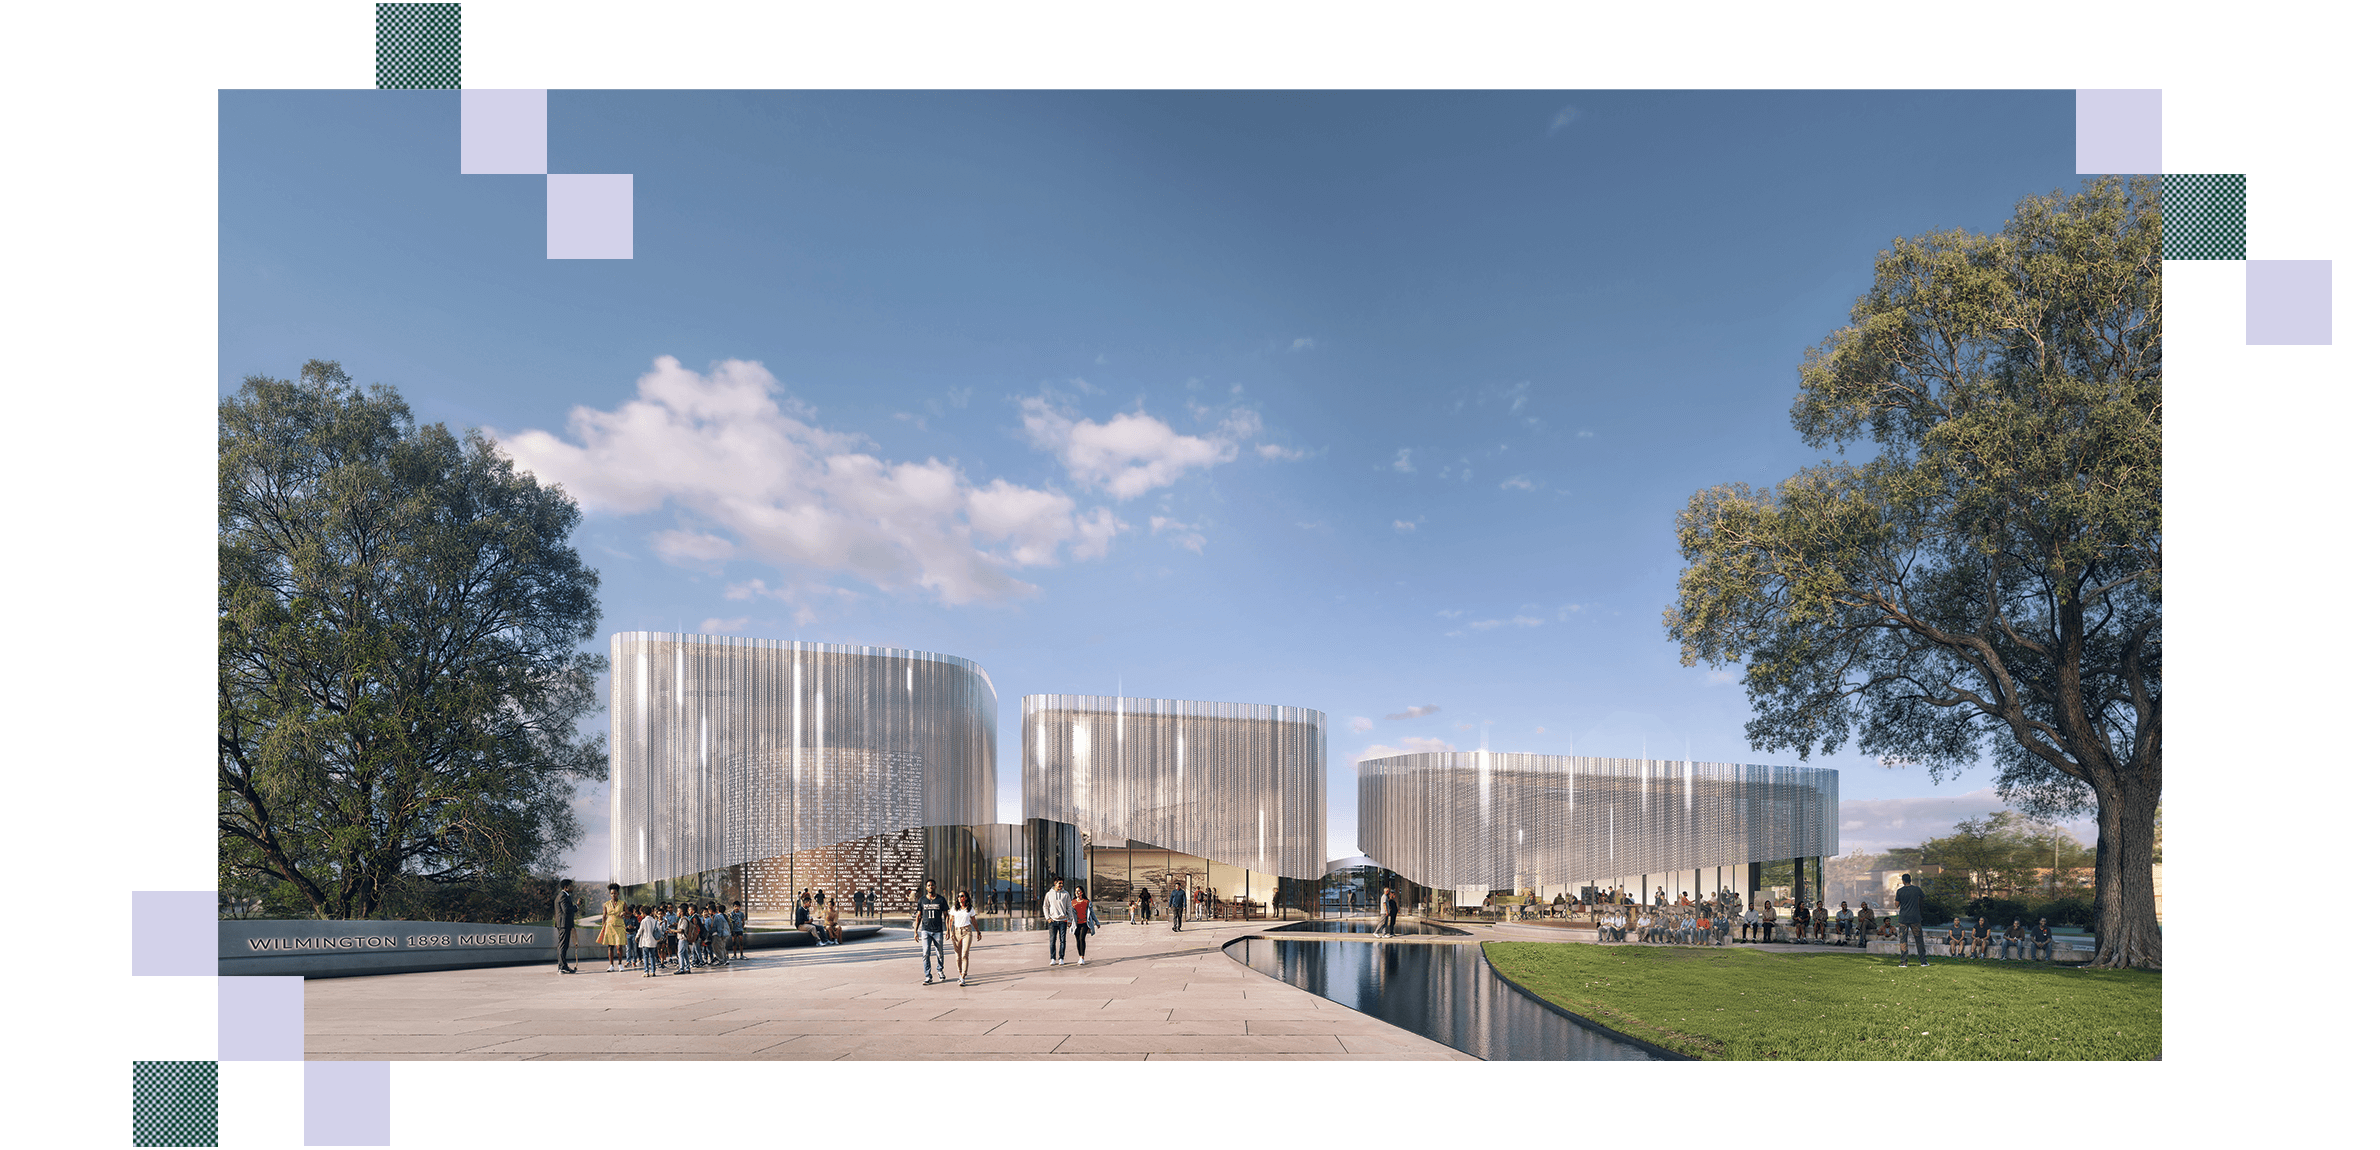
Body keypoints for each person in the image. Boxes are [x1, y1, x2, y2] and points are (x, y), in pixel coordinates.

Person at [914, 879, 952, 985]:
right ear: (926, 887)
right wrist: (916, 931)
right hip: (926, 930)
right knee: (925, 953)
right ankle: (928, 976)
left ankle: (940, 970)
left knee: (939, 952)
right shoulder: (922, 900)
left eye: (932, 885)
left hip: (938, 931)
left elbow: (946, 915)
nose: (930, 887)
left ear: (935, 887)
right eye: (928, 885)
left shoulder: (941, 899)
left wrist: (948, 930)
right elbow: (919, 916)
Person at [1893, 874, 1930, 968]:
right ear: (1910, 880)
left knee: (1903, 940)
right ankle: (1923, 962)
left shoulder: (1900, 891)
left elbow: (1897, 905)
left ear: (1903, 881)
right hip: (1915, 918)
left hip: (1903, 919)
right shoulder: (1917, 889)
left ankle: (1903, 962)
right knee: (1919, 940)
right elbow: (1923, 898)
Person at [950, 891, 983, 984]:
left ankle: (963, 975)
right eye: (959, 896)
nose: (960, 898)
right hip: (956, 931)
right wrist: (949, 932)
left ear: (966, 898)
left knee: (964, 954)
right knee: (957, 956)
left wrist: (978, 932)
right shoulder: (954, 908)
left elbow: (973, 920)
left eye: (962, 896)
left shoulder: (970, 909)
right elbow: (950, 920)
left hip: (967, 931)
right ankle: (960, 973)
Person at [596, 883, 628, 972]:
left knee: (619, 946)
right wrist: (603, 927)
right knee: (610, 946)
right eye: (611, 893)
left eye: (615, 893)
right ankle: (611, 965)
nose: (613, 895)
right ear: (610, 894)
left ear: (618, 893)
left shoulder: (623, 903)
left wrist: (625, 914)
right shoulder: (606, 904)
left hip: (619, 926)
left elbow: (628, 914)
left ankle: (620, 964)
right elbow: (604, 916)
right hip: (609, 926)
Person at [1044, 877, 1073, 964]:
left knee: (1063, 940)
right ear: (1055, 883)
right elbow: (1045, 906)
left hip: (1063, 921)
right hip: (1052, 921)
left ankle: (1061, 958)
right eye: (1059, 883)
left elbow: (1069, 907)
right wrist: (1047, 918)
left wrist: (1069, 919)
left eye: (1062, 883)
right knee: (1052, 940)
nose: (1061, 885)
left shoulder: (1066, 894)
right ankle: (1053, 958)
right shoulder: (1049, 894)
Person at [554, 882, 579, 974]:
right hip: (563, 925)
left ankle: (562, 966)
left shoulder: (564, 895)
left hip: (564, 924)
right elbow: (567, 910)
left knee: (563, 945)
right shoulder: (563, 896)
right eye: (571, 886)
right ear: (566, 887)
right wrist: (576, 906)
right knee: (563, 945)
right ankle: (562, 967)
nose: (573, 887)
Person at [1071, 885, 1098, 965]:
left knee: (1082, 938)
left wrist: (1097, 922)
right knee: (1078, 940)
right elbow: (1069, 913)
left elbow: (1092, 913)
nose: (1077, 892)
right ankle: (1079, 956)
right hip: (1076, 924)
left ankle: (1082, 957)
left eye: (1079, 891)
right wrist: (1068, 921)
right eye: (1076, 891)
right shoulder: (1072, 902)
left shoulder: (1087, 902)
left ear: (1082, 892)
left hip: (1084, 923)